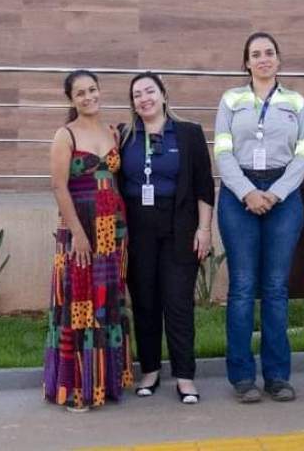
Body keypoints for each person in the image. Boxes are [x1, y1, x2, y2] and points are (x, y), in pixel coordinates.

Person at [213, 32, 304, 404]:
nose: (263, 59)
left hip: (282, 194)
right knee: (241, 288)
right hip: (240, 193)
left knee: (275, 288)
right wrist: (247, 192)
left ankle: (277, 377)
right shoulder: (230, 100)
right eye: (256, 54)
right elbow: (222, 151)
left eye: (269, 53)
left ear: (279, 60)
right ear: (246, 63)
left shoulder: (296, 102)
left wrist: (276, 192)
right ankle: (242, 377)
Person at [117, 72, 215, 405]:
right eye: (136, 94)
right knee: (144, 302)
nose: (143, 98)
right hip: (138, 229)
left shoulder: (188, 133)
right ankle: (149, 370)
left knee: (178, 303)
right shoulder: (123, 136)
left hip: (180, 227)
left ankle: (185, 376)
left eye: (149, 91)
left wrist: (204, 228)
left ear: (163, 95)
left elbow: (204, 185)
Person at [43, 70, 134, 411]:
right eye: (80, 93)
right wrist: (78, 234)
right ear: (71, 99)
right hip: (80, 228)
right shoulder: (64, 135)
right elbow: (58, 186)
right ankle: (78, 387)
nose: (88, 97)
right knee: (79, 304)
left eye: (92, 90)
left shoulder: (113, 132)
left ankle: (106, 383)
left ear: (100, 91)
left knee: (107, 302)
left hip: (113, 230)